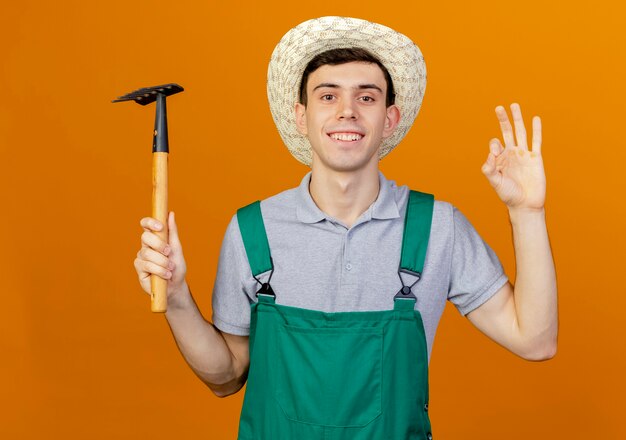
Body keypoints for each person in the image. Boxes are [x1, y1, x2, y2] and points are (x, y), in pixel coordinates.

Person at [133, 16, 557, 439]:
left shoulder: (437, 227)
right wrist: (176, 298)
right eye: (328, 95)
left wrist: (527, 213)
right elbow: (225, 377)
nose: (347, 111)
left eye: (367, 97)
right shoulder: (253, 229)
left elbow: (534, 341)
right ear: (301, 116)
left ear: (390, 118)